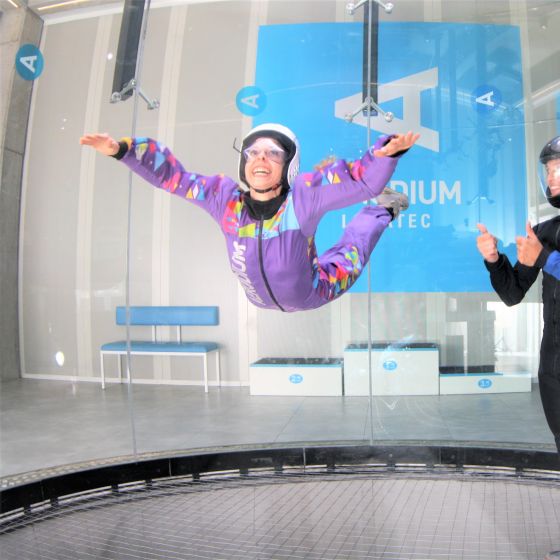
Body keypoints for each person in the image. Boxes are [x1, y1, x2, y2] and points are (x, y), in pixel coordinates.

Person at [80, 124, 418, 312]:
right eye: (253, 152)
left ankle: (385, 207)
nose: (261, 158)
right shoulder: (225, 201)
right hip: (258, 299)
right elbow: (174, 177)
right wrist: (122, 151)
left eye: (273, 153)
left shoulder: (302, 198)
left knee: (351, 249)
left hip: (314, 291)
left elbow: (361, 181)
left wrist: (384, 154)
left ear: (289, 165)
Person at [476, 135, 560, 459]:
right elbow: (512, 293)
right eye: (548, 171)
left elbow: (545, 261)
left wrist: (546, 259)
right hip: (553, 365)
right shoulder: (544, 232)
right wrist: (494, 259)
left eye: (557, 169)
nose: (551, 177)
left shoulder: (543, 246)